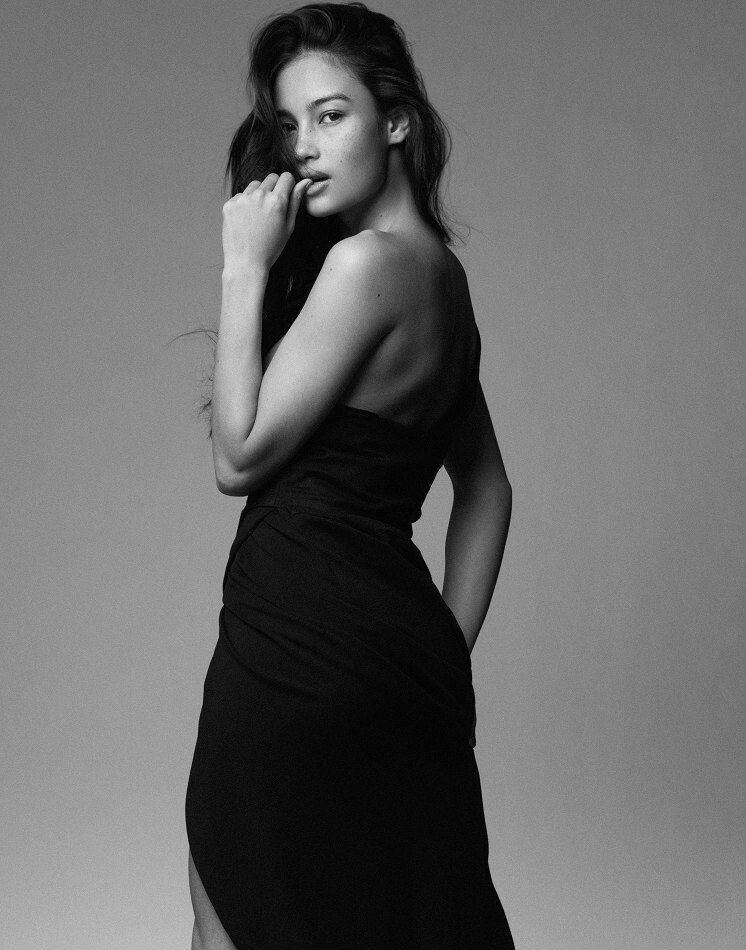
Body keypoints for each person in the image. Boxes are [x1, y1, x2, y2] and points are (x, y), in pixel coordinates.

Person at [185, 3, 514, 947]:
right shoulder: (443, 281)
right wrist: (442, 650)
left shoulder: (365, 266)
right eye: (291, 124)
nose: (304, 146)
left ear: (397, 120)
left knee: (233, 917)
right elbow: (487, 485)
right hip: (395, 662)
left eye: (332, 115)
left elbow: (238, 457)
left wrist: (244, 266)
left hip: (292, 654)